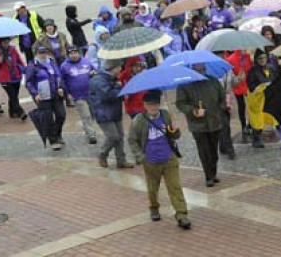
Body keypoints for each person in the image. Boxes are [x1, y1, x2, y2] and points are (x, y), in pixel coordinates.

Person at [127, 90, 191, 230]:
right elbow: (132, 140)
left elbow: (174, 136)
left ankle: (181, 214)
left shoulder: (166, 115)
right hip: (151, 160)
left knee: (175, 187)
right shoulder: (139, 120)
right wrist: (141, 158)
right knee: (152, 188)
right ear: (145, 105)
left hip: (169, 158)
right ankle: (154, 207)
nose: (153, 107)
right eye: (150, 105)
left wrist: (175, 131)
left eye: (156, 104)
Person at [176, 63, 226, 188]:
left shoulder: (213, 81)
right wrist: (193, 111)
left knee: (214, 151)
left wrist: (221, 109)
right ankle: (208, 176)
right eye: (198, 70)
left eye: (202, 69)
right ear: (192, 69)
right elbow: (180, 103)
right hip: (198, 125)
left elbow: (222, 98)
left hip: (215, 122)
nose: (201, 72)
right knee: (204, 151)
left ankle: (213, 173)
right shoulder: (185, 85)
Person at [89, 59, 133, 168]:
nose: (120, 70)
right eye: (119, 67)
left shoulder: (113, 78)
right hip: (103, 113)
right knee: (112, 136)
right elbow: (107, 95)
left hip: (115, 111)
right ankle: (102, 154)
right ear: (114, 68)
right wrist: (120, 89)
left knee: (120, 136)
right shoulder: (98, 80)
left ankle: (121, 160)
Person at [25, 47, 67, 149]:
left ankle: (57, 134)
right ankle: (53, 140)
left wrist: (61, 87)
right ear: (36, 54)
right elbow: (29, 82)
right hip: (43, 96)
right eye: (41, 53)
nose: (43, 55)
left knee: (61, 114)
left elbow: (59, 76)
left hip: (56, 94)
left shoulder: (52, 62)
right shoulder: (32, 66)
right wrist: (35, 93)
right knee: (48, 118)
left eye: (44, 52)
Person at [60, 47, 98, 145]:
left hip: (90, 92)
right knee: (86, 115)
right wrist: (67, 94)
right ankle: (91, 134)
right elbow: (63, 81)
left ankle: (87, 128)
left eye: (75, 52)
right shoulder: (64, 66)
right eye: (71, 53)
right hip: (77, 95)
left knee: (92, 113)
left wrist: (93, 73)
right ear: (68, 55)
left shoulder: (86, 61)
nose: (74, 55)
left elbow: (95, 70)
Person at [0, 37, 26, 120]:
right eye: (4, 42)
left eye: (7, 42)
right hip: (5, 78)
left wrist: (24, 69)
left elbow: (19, 60)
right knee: (12, 95)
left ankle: (12, 112)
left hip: (16, 76)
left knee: (14, 95)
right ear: (0, 42)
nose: (6, 44)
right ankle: (21, 112)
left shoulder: (12, 49)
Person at [247, 51, 277, 148]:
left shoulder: (271, 68)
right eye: (260, 58)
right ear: (256, 60)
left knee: (272, 115)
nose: (263, 60)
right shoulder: (252, 71)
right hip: (257, 99)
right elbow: (251, 86)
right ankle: (256, 139)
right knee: (257, 119)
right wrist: (262, 86)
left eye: (264, 57)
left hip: (268, 98)